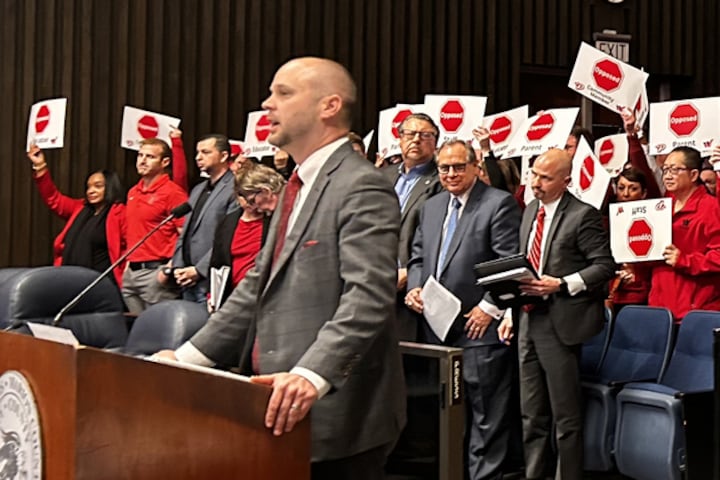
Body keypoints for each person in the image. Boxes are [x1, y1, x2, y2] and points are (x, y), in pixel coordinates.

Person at [155, 57, 405, 479]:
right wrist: (186, 359)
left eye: (283, 93)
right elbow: (257, 285)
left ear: (329, 106)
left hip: (335, 417)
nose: (267, 104)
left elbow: (368, 295)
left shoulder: (360, 183)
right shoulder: (294, 184)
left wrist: (312, 373)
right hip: (275, 408)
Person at [406, 139, 521, 479]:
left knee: (487, 414)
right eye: (445, 168)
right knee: (448, 415)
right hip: (437, 329)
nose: (451, 174)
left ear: (475, 166)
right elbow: (417, 255)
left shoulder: (498, 203)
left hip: (479, 327)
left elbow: (508, 262)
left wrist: (490, 306)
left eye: (459, 166)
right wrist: (414, 285)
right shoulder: (432, 206)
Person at [498, 148, 615, 480]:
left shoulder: (583, 215)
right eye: (534, 174)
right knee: (531, 414)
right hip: (526, 320)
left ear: (566, 180)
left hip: (560, 322)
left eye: (545, 177)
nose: (536, 182)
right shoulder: (529, 210)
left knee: (565, 416)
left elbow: (605, 267)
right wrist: (510, 312)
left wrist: (562, 284)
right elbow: (524, 264)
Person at [27, 145, 127, 286]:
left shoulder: (121, 212)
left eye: (98, 186)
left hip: (102, 282)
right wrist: (40, 166)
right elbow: (54, 199)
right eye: (88, 187)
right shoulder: (80, 207)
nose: (91, 191)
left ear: (110, 187)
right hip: (70, 278)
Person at [640, 147, 720, 320]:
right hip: (659, 308)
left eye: (675, 170)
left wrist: (684, 260)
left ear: (693, 175)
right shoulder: (662, 207)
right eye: (666, 169)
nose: (668, 175)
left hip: (695, 312)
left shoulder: (711, 207)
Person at [383, 112, 443, 340]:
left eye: (425, 135)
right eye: (410, 134)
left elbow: (438, 235)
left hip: (412, 282)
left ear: (435, 142)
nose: (416, 140)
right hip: (376, 280)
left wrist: (410, 271)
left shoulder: (441, 180)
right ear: (399, 139)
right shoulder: (382, 176)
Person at [163, 134, 236, 304]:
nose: (198, 157)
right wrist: (178, 267)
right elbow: (185, 231)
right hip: (186, 279)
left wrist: (199, 270)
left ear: (224, 156)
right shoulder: (198, 189)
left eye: (205, 152)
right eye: (197, 152)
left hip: (209, 278)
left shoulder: (235, 188)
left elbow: (228, 238)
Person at [122, 137, 189, 314]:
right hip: (131, 273)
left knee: (156, 333)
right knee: (137, 332)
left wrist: (168, 270)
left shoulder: (173, 192)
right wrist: (127, 266)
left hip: (156, 273)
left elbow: (186, 236)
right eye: (140, 155)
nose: (142, 161)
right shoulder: (133, 191)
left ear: (164, 162)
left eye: (150, 157)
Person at [208, 162, 284, 310]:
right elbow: (217, 262)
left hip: (265, 299)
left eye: (252, 200)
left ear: (265, 192)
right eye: (246, 200)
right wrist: (212, 294)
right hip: (233, 297)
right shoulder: (228, 222)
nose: (254, 206)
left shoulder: (277, 219)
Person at [608, 167, 652, 314]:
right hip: (611, 291)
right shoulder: (606, 222)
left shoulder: (655, 220)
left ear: (644, 193)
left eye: (633, 188)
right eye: (621, 188)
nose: (625, 194)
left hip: (640, 293)